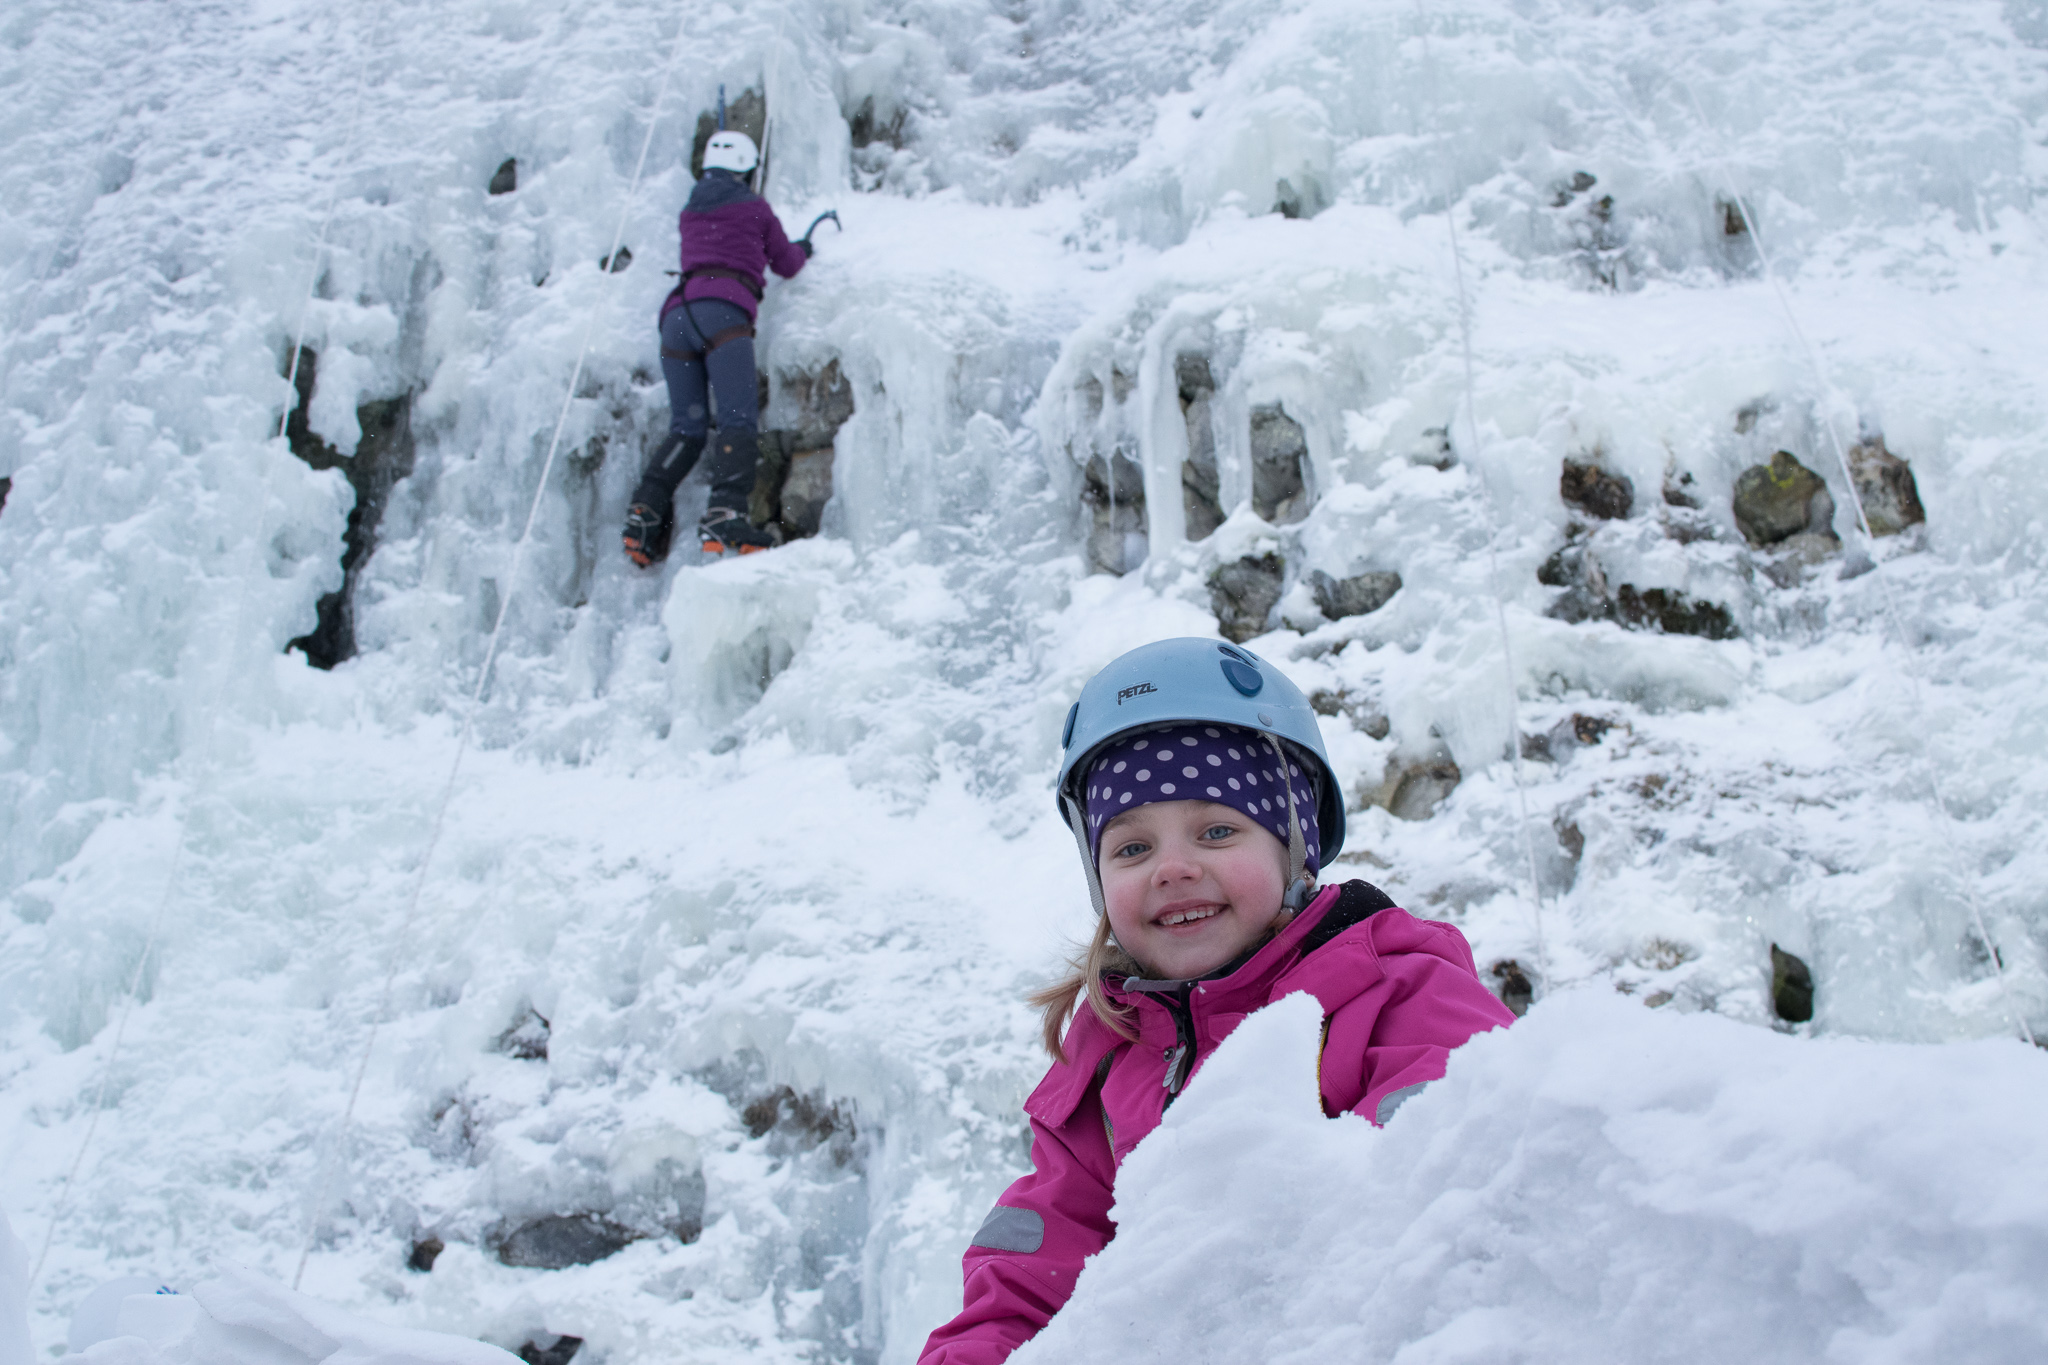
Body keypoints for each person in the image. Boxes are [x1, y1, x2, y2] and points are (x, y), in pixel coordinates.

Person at [918, 637, 1518, 1364]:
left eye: (1217, 829)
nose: (1173, 867)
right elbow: (1031, 1278)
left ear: (1295, 847)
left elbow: (1461, 1185)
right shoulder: (1107, 1056)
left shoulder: (1400, 991)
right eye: (1132, 848)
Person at [623, 129, 810, 565]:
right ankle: (725, 514)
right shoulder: (756, 207)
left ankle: (644, 513)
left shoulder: (690, 210)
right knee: (736, 418)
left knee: (686, 428)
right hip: (723, 314)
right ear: (747, 170)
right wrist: (802, 247)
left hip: (677, 317)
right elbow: (786, 263)